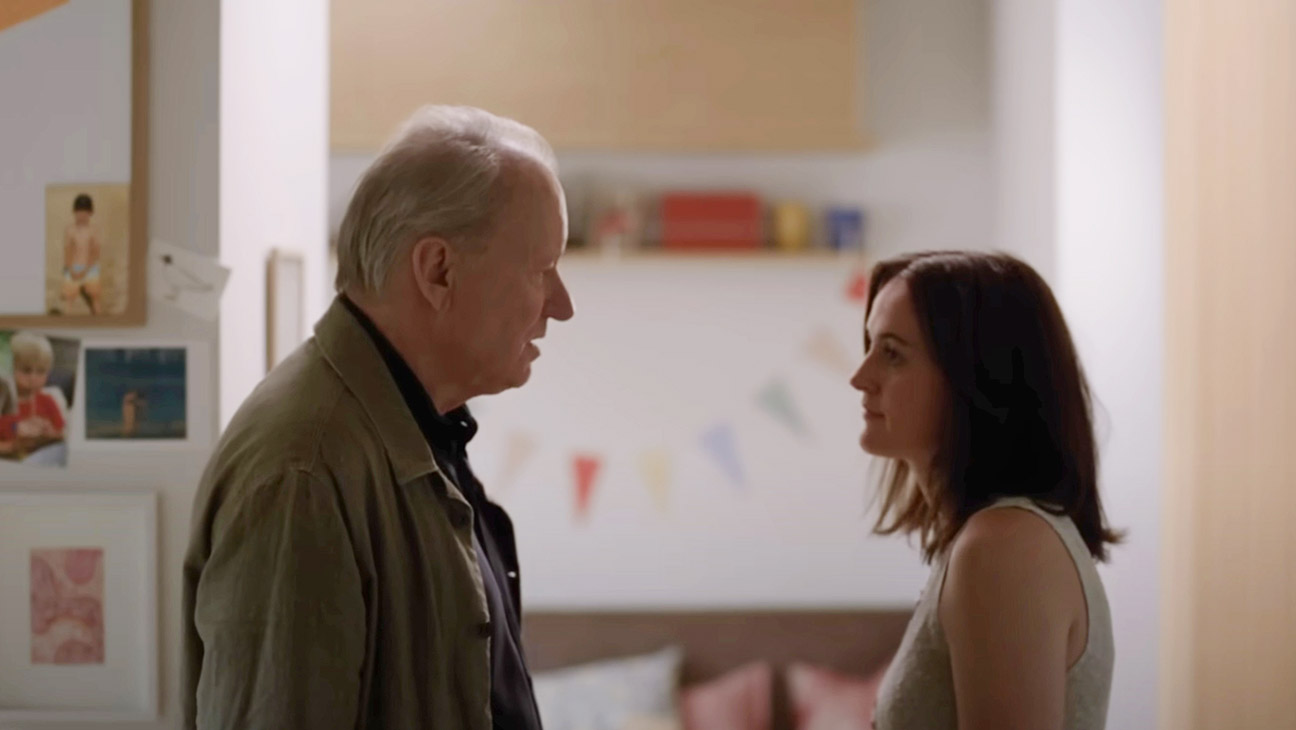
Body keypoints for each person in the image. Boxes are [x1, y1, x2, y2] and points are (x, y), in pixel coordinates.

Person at [182, 106, 573, 730]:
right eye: (541, 270)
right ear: (438, 270)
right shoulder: (305, 471)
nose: (562, 304)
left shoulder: (415, 425)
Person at [852, 251, 1120, 730]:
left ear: (974, 378)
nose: (860, 377)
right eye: (871, 345)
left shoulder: (1004, 548)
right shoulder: (992, 540)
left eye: (892, 353)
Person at [0, 331, 67, 457]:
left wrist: (49, 432)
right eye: (26, 370)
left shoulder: (48, 401)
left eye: (41, 371)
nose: (33, 378)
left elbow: (61, 436)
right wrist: (13, 446)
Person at [59, 193, 103, 315]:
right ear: (74, 212)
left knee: (95, 299)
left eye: (85, 212)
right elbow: (67, 250)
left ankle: (100, 323)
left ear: (90, 213)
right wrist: (70, 269)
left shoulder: (94, 230)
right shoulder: (70, 229)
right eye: (79, 212)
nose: (82, 215)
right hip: (73, 268)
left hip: (90, 268)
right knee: (68, 301)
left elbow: (95, 253)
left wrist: (85, 270)